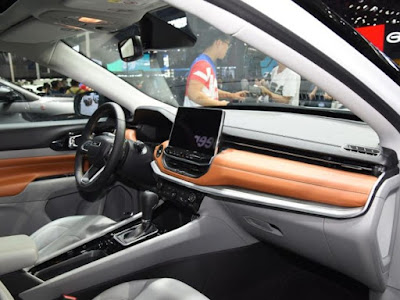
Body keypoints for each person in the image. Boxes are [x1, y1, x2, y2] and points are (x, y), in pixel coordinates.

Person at [184, 28, 247, 107]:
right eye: (228, 44)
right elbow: (193, 93)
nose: (227, 48)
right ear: (219, 43)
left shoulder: (207, 63)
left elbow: (211, 91)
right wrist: (220, 104)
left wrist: (231, 95)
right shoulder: (203, 65)